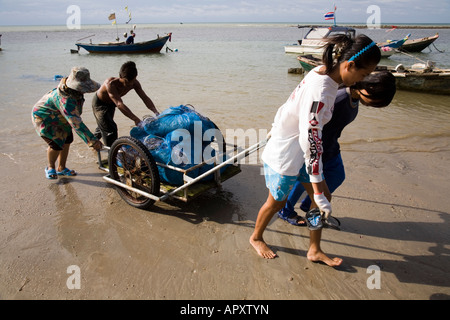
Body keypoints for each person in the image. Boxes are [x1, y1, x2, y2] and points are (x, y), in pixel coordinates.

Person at [249, 34, 381, 266]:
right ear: (348, 65)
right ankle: (256, 237)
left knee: (320, 199)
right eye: (362, 74)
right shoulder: (322, 92)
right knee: (277, 202)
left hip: (300, 155)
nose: (363, 80)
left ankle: (314, 249)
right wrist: (318, 187)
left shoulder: (321, 71)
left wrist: (276, 125)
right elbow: (311, 140)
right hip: (287, 156)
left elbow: (290, 105)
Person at [278, 71, 397, 226]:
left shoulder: (355, 97)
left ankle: (311, 206)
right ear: (367, 88)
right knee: (303, 180)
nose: (374, 104)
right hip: (317, 148)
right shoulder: (338, 99)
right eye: (375, 101)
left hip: (331, 144)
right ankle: (285, 210)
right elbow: (311, 126)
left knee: (337, 175)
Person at [32, 67, 103, 180]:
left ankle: (62, 167)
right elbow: (76, 124)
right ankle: (50, 167)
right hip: (45, 117)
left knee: (67, 139)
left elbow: (74, 117)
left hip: (61, 117)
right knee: (56, 143)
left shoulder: (74, 92)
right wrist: (92, 141)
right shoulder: (65, 99)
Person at [92, 61, 159, 147]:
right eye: (126, 82)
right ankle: (111, 154)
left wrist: (156, 112)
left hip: (112, 103)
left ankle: (93, 142)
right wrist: (135, 119)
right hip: (100, 104)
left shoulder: (135, 83)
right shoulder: (111, 84)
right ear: (120, 77)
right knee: (110, 128)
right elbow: (119, 104)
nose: (129, 84)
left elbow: (144, 98)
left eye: (132, 81)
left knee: (104, 124)